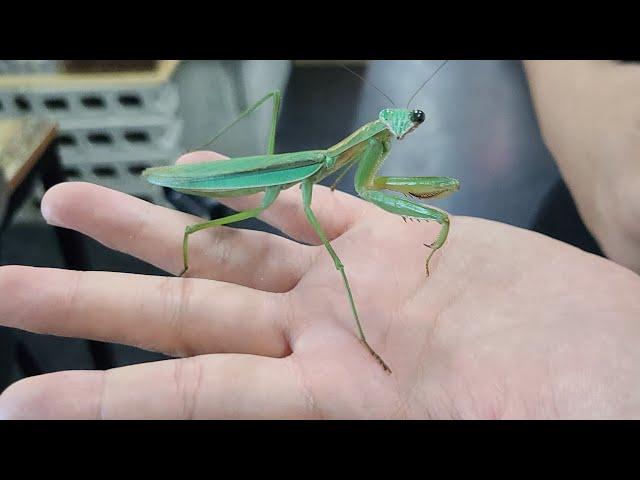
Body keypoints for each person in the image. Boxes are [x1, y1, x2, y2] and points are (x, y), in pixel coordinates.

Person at [0, 61, 639, 419]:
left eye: (405, 124)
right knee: (202, 226)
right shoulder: (332, 166)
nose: (399, 132)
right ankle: (352, 328)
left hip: (304, 173)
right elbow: (372, 187)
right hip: (276, 174)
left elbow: (375, 184)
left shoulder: (364, 154)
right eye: (399, 124)